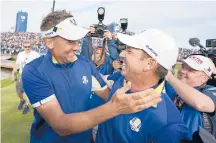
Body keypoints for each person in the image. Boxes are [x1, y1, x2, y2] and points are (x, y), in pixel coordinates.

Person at [22, 11, 162, 143]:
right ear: (49, 42)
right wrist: (115, 108)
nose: (76, 47)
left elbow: (107, 95)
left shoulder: (84, 64)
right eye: (70, 41)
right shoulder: (34, 71)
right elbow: (60, 125)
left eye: (77, 41)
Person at [96, 29, 189, 143]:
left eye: (129, 51)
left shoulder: (167, 125)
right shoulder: (121, 78)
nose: (121, 54)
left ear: (150, 64)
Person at [165, 55, 216, 143]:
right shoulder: (173, 88)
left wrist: (170, 77)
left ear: (204, 78)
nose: (182, 71)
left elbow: (201, 104)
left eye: (190, 70)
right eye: (183, 66)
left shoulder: (210, 91)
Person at [11, 40, 40, 114]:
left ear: (31, 46)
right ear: (23, 47)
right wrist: (12, 73)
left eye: (29, 46)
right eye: (26, 47)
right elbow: (17, 64)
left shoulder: (35, 54)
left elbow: (39, 65)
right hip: (21, 75)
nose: (27, 48)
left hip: (31, 76)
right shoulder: (20, 54)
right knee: (19, 91)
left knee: (28, 92)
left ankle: (27, 105)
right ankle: (22, 100)